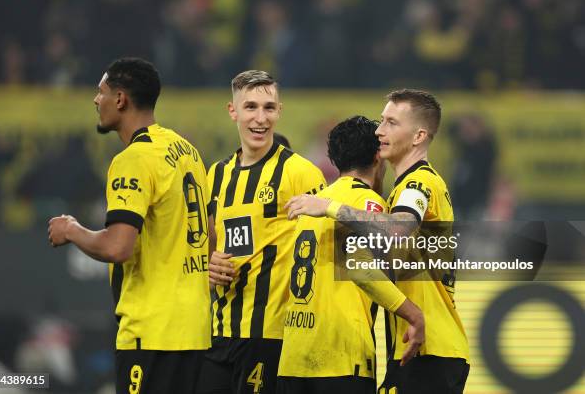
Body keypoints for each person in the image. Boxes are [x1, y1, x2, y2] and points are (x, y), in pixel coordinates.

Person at [285, 89, 470, 394]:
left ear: (418, 136)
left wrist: (330, 207)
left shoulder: (418, 182)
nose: (380, 131)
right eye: (382, 121)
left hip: (431, 349)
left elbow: (398, 229)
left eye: (391, 123)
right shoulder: (402, 190)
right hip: (418, 347)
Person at [48, 58, 211, 394]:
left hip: (152, 331)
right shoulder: (187, 151)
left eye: (101, 92)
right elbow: (208, 235)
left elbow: (117, 246)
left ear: (120, 99)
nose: (96, 100)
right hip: (195, 328)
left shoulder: (132, 160)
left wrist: (72, 229)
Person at [198, 70, 326, 394]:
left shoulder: (299, 172)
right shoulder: (217, 175)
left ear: (279, 111)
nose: (260, 118)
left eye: (269, 108)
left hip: (271, 336)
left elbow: (328, 246)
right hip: (220, 330)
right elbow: (208, 244)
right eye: (251, 107)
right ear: (233, 111)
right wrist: (208, 265)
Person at [277, 116, 425, 394]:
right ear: (377, 156)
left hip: (294, 357)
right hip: (340, 358)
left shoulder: (312, 204)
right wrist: (413, 314)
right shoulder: (366, 204)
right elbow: (361, 269)